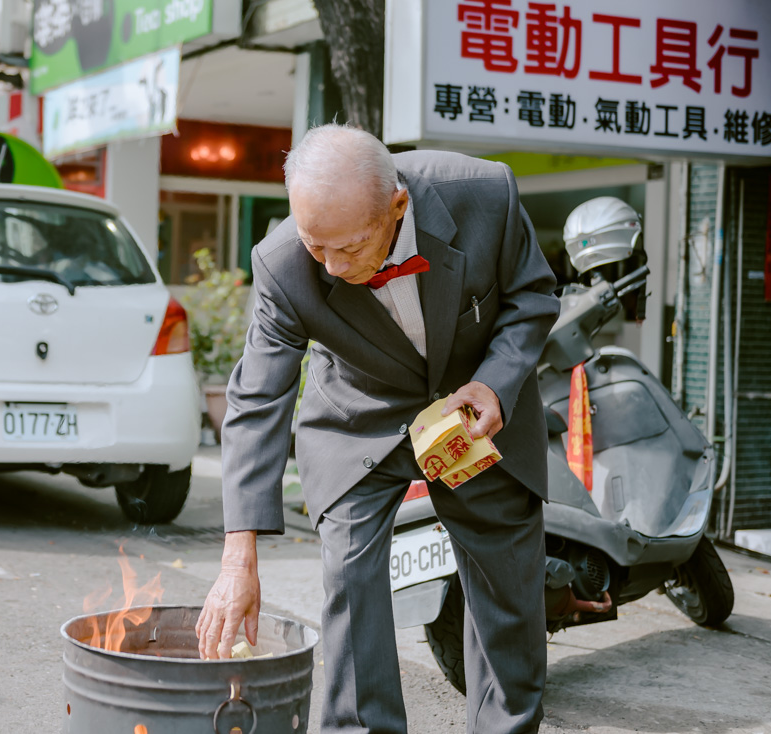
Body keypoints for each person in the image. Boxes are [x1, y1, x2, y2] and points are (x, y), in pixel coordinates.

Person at [196, 124, 561, 733]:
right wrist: (239, 556)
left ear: (398, 204)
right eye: (318, 248)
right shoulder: (283, 262)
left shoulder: (484, 194)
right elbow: (257, 398)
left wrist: (495, 383)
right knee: (349, 576)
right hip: (358, 419)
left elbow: (531, 296)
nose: (335, 269)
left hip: (470, 411)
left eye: (351, 246)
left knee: (508, 588)